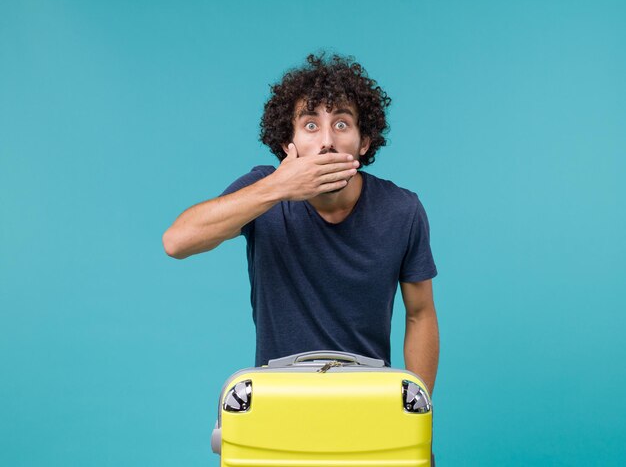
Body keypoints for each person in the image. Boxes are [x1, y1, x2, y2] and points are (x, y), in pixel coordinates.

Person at [162, 53, 440, 393]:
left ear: (363, 142)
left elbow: (420, 314)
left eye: (341, 124)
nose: (327, 141)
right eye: (310, 125)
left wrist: (418, 412)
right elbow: (177, 242)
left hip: (368, 399)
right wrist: (278, 187)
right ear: (287, 145)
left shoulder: (402, 209)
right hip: (279, 397)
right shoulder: (263, 190)